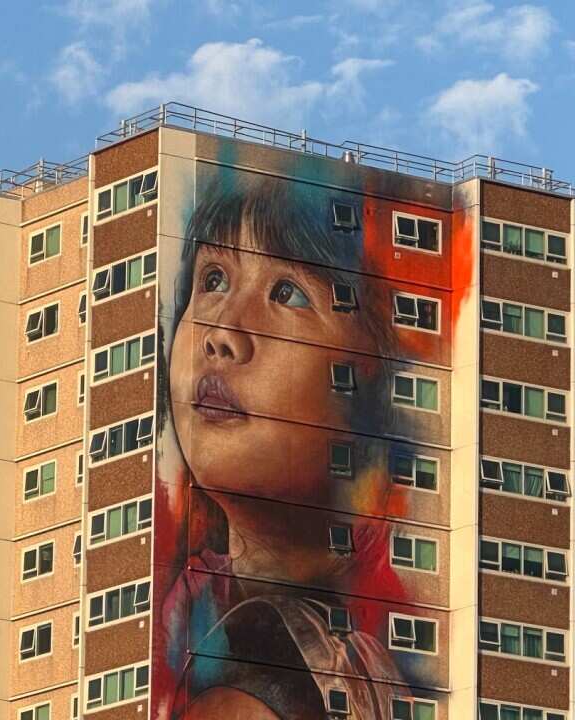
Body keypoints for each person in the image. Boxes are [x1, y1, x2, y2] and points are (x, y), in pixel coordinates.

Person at [155, 170, 420, 719]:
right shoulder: (184, 609)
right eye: (213, 279)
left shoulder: (344, 645)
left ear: (366, 374)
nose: (222, 334)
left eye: (286, 293)